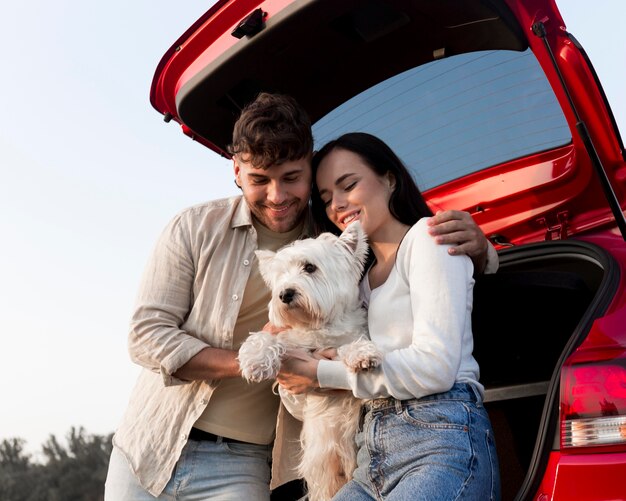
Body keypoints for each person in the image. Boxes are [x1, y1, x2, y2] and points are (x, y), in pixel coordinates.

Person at [103, 93, 496, 500]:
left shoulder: (335, 245)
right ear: (236, 171)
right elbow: (147, 335)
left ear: (308, 170)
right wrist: (265, 359)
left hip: (250, 459)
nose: (277, 195)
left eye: (291, 178)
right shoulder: (194, 228)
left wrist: (483, 251)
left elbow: (415, 268)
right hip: (155, 442)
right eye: (259, 179)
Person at [277, 132, 501, 500]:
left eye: (348, 185)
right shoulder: (357, 283)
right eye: (327, 198)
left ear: (390, 179)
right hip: (372, 450)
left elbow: (435, 367)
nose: (338, 205)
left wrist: (320, 373)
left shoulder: (429, 240)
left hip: (439, 441)